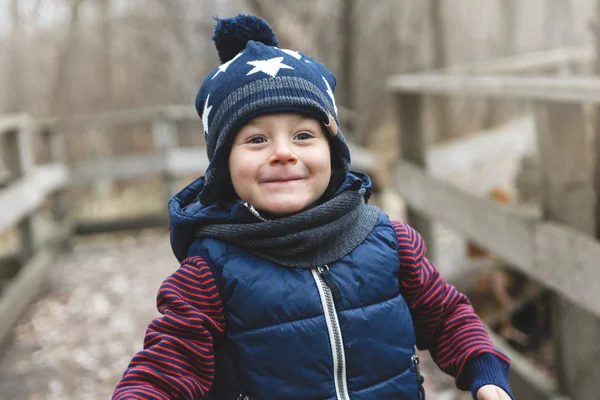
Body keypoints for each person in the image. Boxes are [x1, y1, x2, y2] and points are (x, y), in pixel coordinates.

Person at [113, 14, 513, 400]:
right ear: (223, 166)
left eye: (303, 135)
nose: (283, 153)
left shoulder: (389, 241)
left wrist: (483, 367)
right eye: (256, 140)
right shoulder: (210, 272)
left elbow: (446, 315)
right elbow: (166, 364)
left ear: (333, 152)